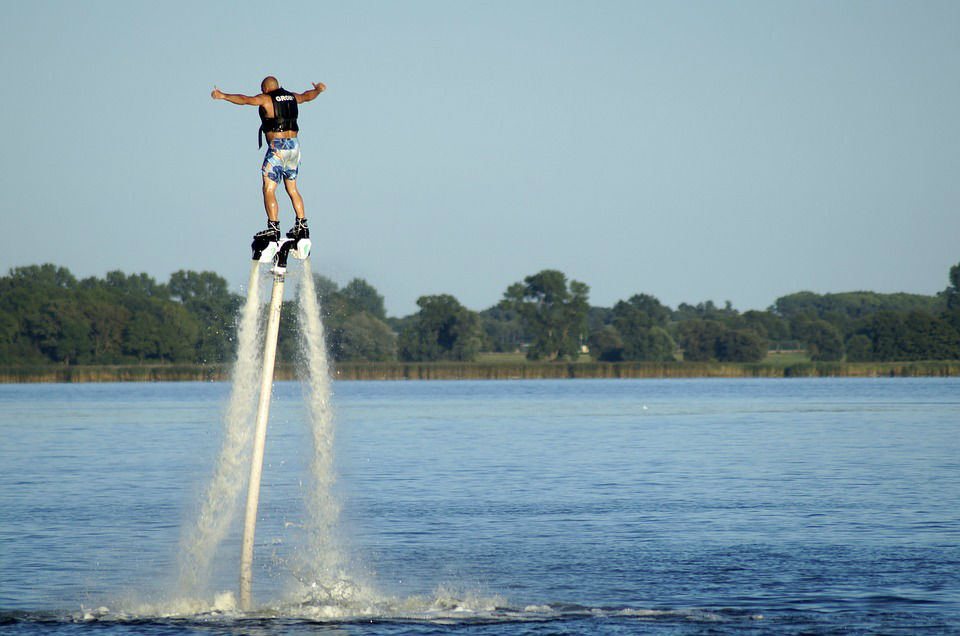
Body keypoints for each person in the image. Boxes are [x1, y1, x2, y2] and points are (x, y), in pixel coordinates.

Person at [211, 76, 326, 242]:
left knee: (269, 188)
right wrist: (318, 90)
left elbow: (244, 100)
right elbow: (307, 96)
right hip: (294, 147)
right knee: (292, 189)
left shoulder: (266, 98)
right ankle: (302, 226)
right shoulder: (292, 96)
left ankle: (273, 228)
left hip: (278, 148)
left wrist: (223, 96)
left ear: (265, 89)